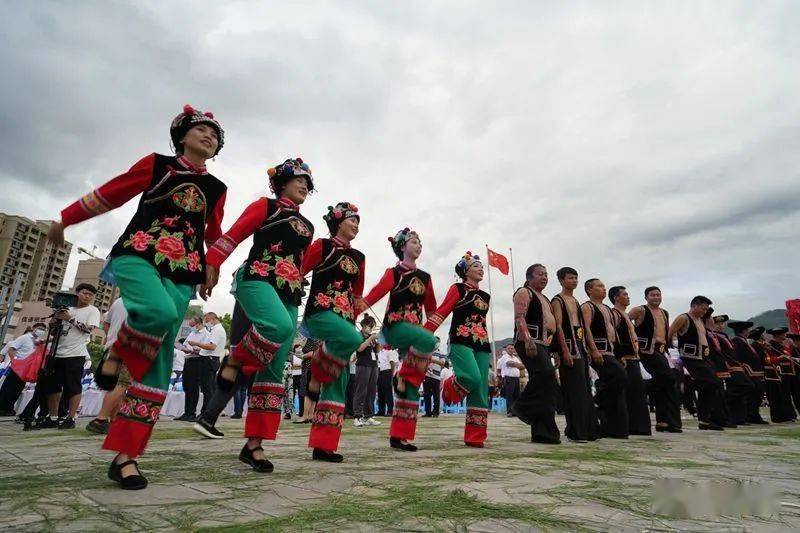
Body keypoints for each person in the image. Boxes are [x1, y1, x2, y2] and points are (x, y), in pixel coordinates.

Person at [50, 104, 228, 489]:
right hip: (139, 253)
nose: (209, 136)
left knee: (159, 366)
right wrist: (66, 218)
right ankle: (121, 350)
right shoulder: (157, 165)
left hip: (184, 271)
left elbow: (212, 232)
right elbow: (112, 194)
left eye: (215, 134)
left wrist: (211, 267)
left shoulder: (217, 188)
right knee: (160, 314)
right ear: (181, 136)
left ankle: (126, 456)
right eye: (201, 129)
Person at [202, 157, 314, 472]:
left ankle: (254, 445)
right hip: (258, 278)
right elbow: (232, 236)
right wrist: (211, 264)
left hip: (289, 291)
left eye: (308, 182)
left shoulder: (308, 225)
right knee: (276, 327)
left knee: (274, 369)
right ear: (281, 183)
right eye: (298, 179)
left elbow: (300, 262)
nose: (304, 185)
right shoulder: (265, 207)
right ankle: (237, 359)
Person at [360, 227, 438, 451]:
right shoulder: (393, 273)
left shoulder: (425, 277)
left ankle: (400, 436)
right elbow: (375, 294)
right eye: (414, 241)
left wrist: (429, 330)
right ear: (402, 246)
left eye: (420, 242)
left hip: (414, 331)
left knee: (411, 386)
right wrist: (355, 310)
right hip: (396, 327)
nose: (419, 245)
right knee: (429, 344)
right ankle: (401, 376)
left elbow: (431, 309)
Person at [303, 202, 366, 463]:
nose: (356, 225)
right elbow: (299, 270)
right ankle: (319, 358)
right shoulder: (322, 245)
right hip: (320, 312)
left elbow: (357, 294)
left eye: (358, 222)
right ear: (338, 222)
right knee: (354, 338)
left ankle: (324, 445)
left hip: (343, 320)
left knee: (336, 380)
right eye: (353, 220)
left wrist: (358, 307)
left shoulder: (359, 257)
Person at [424, 252, 492, 448]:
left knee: (480, 389)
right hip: (460, 339)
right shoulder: (458, 288)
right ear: (465, 271)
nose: (480, 269)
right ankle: (449, 385)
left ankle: (475, 436)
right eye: (476, 266)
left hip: (482, 341)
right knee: (471, 377)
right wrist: (423, 334)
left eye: (481, 266)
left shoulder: (486, 295)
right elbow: (442, 311)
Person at [510, 264, 560, 444]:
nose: (545, 277)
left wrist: (554, 350)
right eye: (541, 274)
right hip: (529, 341)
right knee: (545, 374)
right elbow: (519, 317)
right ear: (530, 277)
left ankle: (544, 432)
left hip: (544, 343)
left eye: (547, 274)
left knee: (548, 385)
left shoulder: (544, 298)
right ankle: (521, 406)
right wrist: (527, 339)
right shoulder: (524, 292)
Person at [41, 284, 101, 430]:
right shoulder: (67, 308)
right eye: (84, 293)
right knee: (53, 387)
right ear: (77, 293)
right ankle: (53, 417)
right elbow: (54, 332)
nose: (87, 296)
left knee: (73, 387)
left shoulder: (92, 310)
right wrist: (55, 321)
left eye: (90, 295)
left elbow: (89, 329)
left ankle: (71, 417)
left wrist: (69, 319)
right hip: (57, 352)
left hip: (76, 353)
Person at [551, 267, 597, 443]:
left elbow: (583, 328)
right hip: (569, 347)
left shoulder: (575, 300)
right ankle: (575, 431)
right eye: (570, 278)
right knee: (574, 390)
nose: (574, 281)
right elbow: (559, 326)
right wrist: (564, 350)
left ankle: (589, 429)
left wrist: (590, 348)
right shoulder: (558, 300)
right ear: (562, 280)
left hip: (580, 345)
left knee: (585, 388)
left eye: (576, 278)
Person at [667, 296, 724, 431]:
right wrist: (670, 351)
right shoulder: (683, 318)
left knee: (711, 386)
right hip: (690, 357)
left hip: (703, 357)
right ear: (695, 306)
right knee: (712, 383)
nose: (705, 312)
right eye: (703, 309)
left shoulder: (700, 319)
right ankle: (701, 413)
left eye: (706, 310)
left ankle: (705, 419)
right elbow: (670, 333)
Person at [629, 287, 682, 433]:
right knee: (668, 379)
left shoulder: (664, 312)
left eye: (658, 295)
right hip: (646, 351)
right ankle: (642, 388)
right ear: (646, 297)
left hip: (661, 351)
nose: (656, 297)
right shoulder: (640, 310)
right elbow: (625, 323)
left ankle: (665, 421)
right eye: (652, 295)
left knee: (667, 384)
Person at [582, 278, 628, 439]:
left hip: (611, 350)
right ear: (589, 289)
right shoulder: (587, 307)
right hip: (599, 351)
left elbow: (614, 332)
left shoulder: (608, 309)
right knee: (619, 376)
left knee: (617, 383)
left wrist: (620, 354)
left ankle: (612, 424)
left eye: (603, 286)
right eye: (599, 286)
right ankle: (598, 401)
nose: (603, 289)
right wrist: (593, 350)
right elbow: (586, 329)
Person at [608, 286, 651, 436]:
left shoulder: (624, 314)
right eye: (624, 294)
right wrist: (619, 355)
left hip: (634, 357)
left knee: (637, 391)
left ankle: (637, 425)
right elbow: (613, 335)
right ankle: (632, 425)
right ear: (616, 297)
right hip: (625, 357)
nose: (628, 297)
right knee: (632, 391)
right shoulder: (614, 314)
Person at [86, 298, 130, 434]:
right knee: (122, 384)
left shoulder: (118, 301)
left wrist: (112, 336)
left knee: (114, 385)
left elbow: (106, 324)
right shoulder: (143, 300)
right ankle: (101, 419)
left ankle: (113, 420)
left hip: (112, 347)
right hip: (129, 348)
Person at [709, 313, 754, 427]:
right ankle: (725, 405)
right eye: (717, 323)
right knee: (743, 386)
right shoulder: (712, 335)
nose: (720, 326)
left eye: (722, 323)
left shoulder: (724, 335)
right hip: (725, 365)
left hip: (733, 365)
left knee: (742, 389)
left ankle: (738, 418)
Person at [0, 323, 46, 415]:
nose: (41, 331)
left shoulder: (37, 341)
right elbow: (11, 349)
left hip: (27, 370)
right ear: (34, 328)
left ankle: (9, 408)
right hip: (18, 367)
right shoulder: (24, 338)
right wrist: (15, 361)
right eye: (39, 328)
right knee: (10, 387)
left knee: (18, 389)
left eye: (43, 329)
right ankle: (3, 408)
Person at [728, 320, 768, 425]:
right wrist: (745, 369)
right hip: (749, 373)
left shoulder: (744, 341)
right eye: (747, 330)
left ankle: (753, 415)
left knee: (757, 395)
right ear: (743, 331)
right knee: (752, 395)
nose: (748, 331)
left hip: (755, 373)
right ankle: (749, 415)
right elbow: (737, 358)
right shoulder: (737, 341)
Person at [751, 327, 793, 423]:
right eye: (762, 335)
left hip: (773, 373)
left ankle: (782, 415)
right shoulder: (756, 346)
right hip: (767, 374)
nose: (764, 337)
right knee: (773, 397)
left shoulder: (763, 346)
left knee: (778, 395)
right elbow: (765, 359)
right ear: (759, 336)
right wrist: (778, 359)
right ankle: (777, 417)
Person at [177, 316, 212, 422]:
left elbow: (205, 348)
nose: (191, 327)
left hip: (198, 361)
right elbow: (186, 344)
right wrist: (184, 348)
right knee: (187, 386)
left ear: (198, 323)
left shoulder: (206, 334)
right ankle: (187, 412)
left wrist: (194, 348)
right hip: (188, 359)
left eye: (192, 325)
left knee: (194, 386)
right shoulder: (192, 333)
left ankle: (192, 413)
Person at [352, 315, 381, 427]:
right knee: (361, 390)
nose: (371, 329)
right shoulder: (358, 336)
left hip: (373, 365)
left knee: (371, 391)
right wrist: (370, 338)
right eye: (369, 326)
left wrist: (378, 342)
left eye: (372, 327)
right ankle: (357, 416)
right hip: (363, 365)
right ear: (363, 326)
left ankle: (368, 416)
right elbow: (359, 348)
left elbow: (377, 350)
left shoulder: (371, 337)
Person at [767, 328, 799, 418]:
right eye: (784, 334)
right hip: (781, 373)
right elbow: (774, 358)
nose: (786, 335)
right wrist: (788, 348)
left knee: (797, 394)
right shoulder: (772, 345)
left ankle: (792, 414)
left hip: (791, 373)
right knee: (785, 395)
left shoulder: (782, 345)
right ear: (778, 335)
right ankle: (789, 415)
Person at [497, 344, 524, 418]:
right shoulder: (504, 357)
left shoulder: (515, 358)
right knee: (509, 395)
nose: (511, 350)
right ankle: (510, 411)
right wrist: (518, 365)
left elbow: (522, 366)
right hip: (508, 378)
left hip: (516, 378)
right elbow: (510, 363)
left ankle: (515, 411)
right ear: (506, 349)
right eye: (509, 348)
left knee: (517, 395)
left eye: (512, 348)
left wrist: (517, 365)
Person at [377, 345, 399, 416]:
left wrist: (391, 374)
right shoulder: (379, 352)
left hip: (387, 372)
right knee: (380, 392)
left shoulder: (389, 352)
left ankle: (390, 411)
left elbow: (392, 363)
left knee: (388, 392)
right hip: (379, 372)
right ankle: (381, 410)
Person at [422, 344, 444, 417]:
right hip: (426, 375)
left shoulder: (441, 352)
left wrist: (432, 360)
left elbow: (442, 363)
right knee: (426, 395)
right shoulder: (427, 351)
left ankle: (435, 412)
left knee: (436, 395)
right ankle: (427, 412)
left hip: (436, 376)